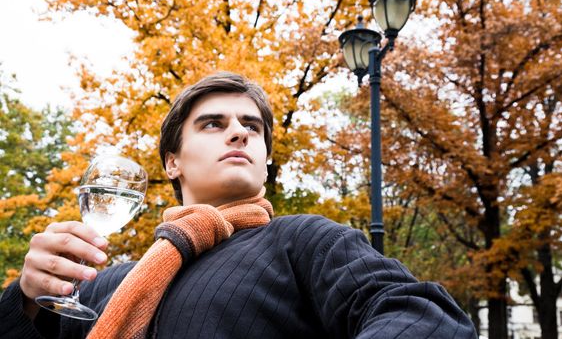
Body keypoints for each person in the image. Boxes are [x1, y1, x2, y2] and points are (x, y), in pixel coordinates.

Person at [0, 72, 477, 338]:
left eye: (252, 126)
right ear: (172, 162)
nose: (239, 131)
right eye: (212, 123)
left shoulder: (305, 240)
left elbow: (421, 315)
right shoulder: (104, 281)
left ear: (266, 160)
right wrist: (24, 299)